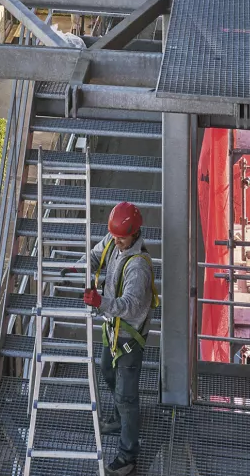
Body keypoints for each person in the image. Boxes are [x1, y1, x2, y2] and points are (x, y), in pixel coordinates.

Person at [83, 201, 157, 476]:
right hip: (112, 329)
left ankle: (127, 456)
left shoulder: (138, 268)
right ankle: (118, 418)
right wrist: (78, 269)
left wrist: (100, 301)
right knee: (106, 370)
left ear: (135, 233)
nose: (116, 240)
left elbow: (130, 306)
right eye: (114, 235)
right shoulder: (114, 240)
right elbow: (94, 256)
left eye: (121, 236)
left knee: (127, 396)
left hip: (128, 337)